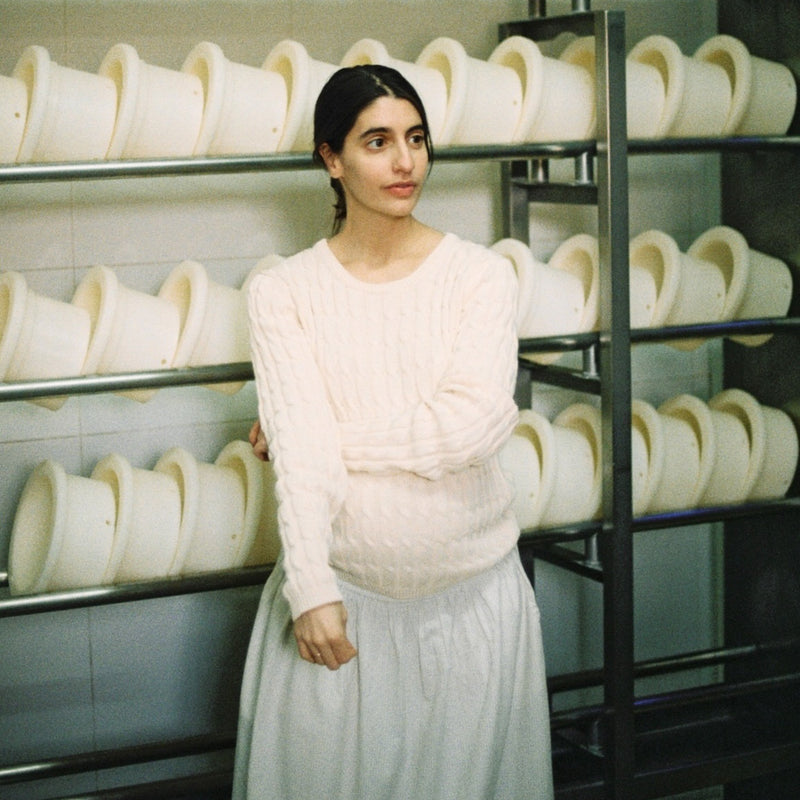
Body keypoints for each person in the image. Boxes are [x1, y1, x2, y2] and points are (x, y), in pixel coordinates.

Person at [233, 64, 553, 800]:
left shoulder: (480, 276)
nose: (405, 161)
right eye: (377, 141)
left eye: (416, 138)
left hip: (473, 605)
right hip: (343, 602)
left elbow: (470, 427)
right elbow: (305, 467)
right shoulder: (284, 291)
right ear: (331, 158)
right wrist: (312, 590)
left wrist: (312, 434)